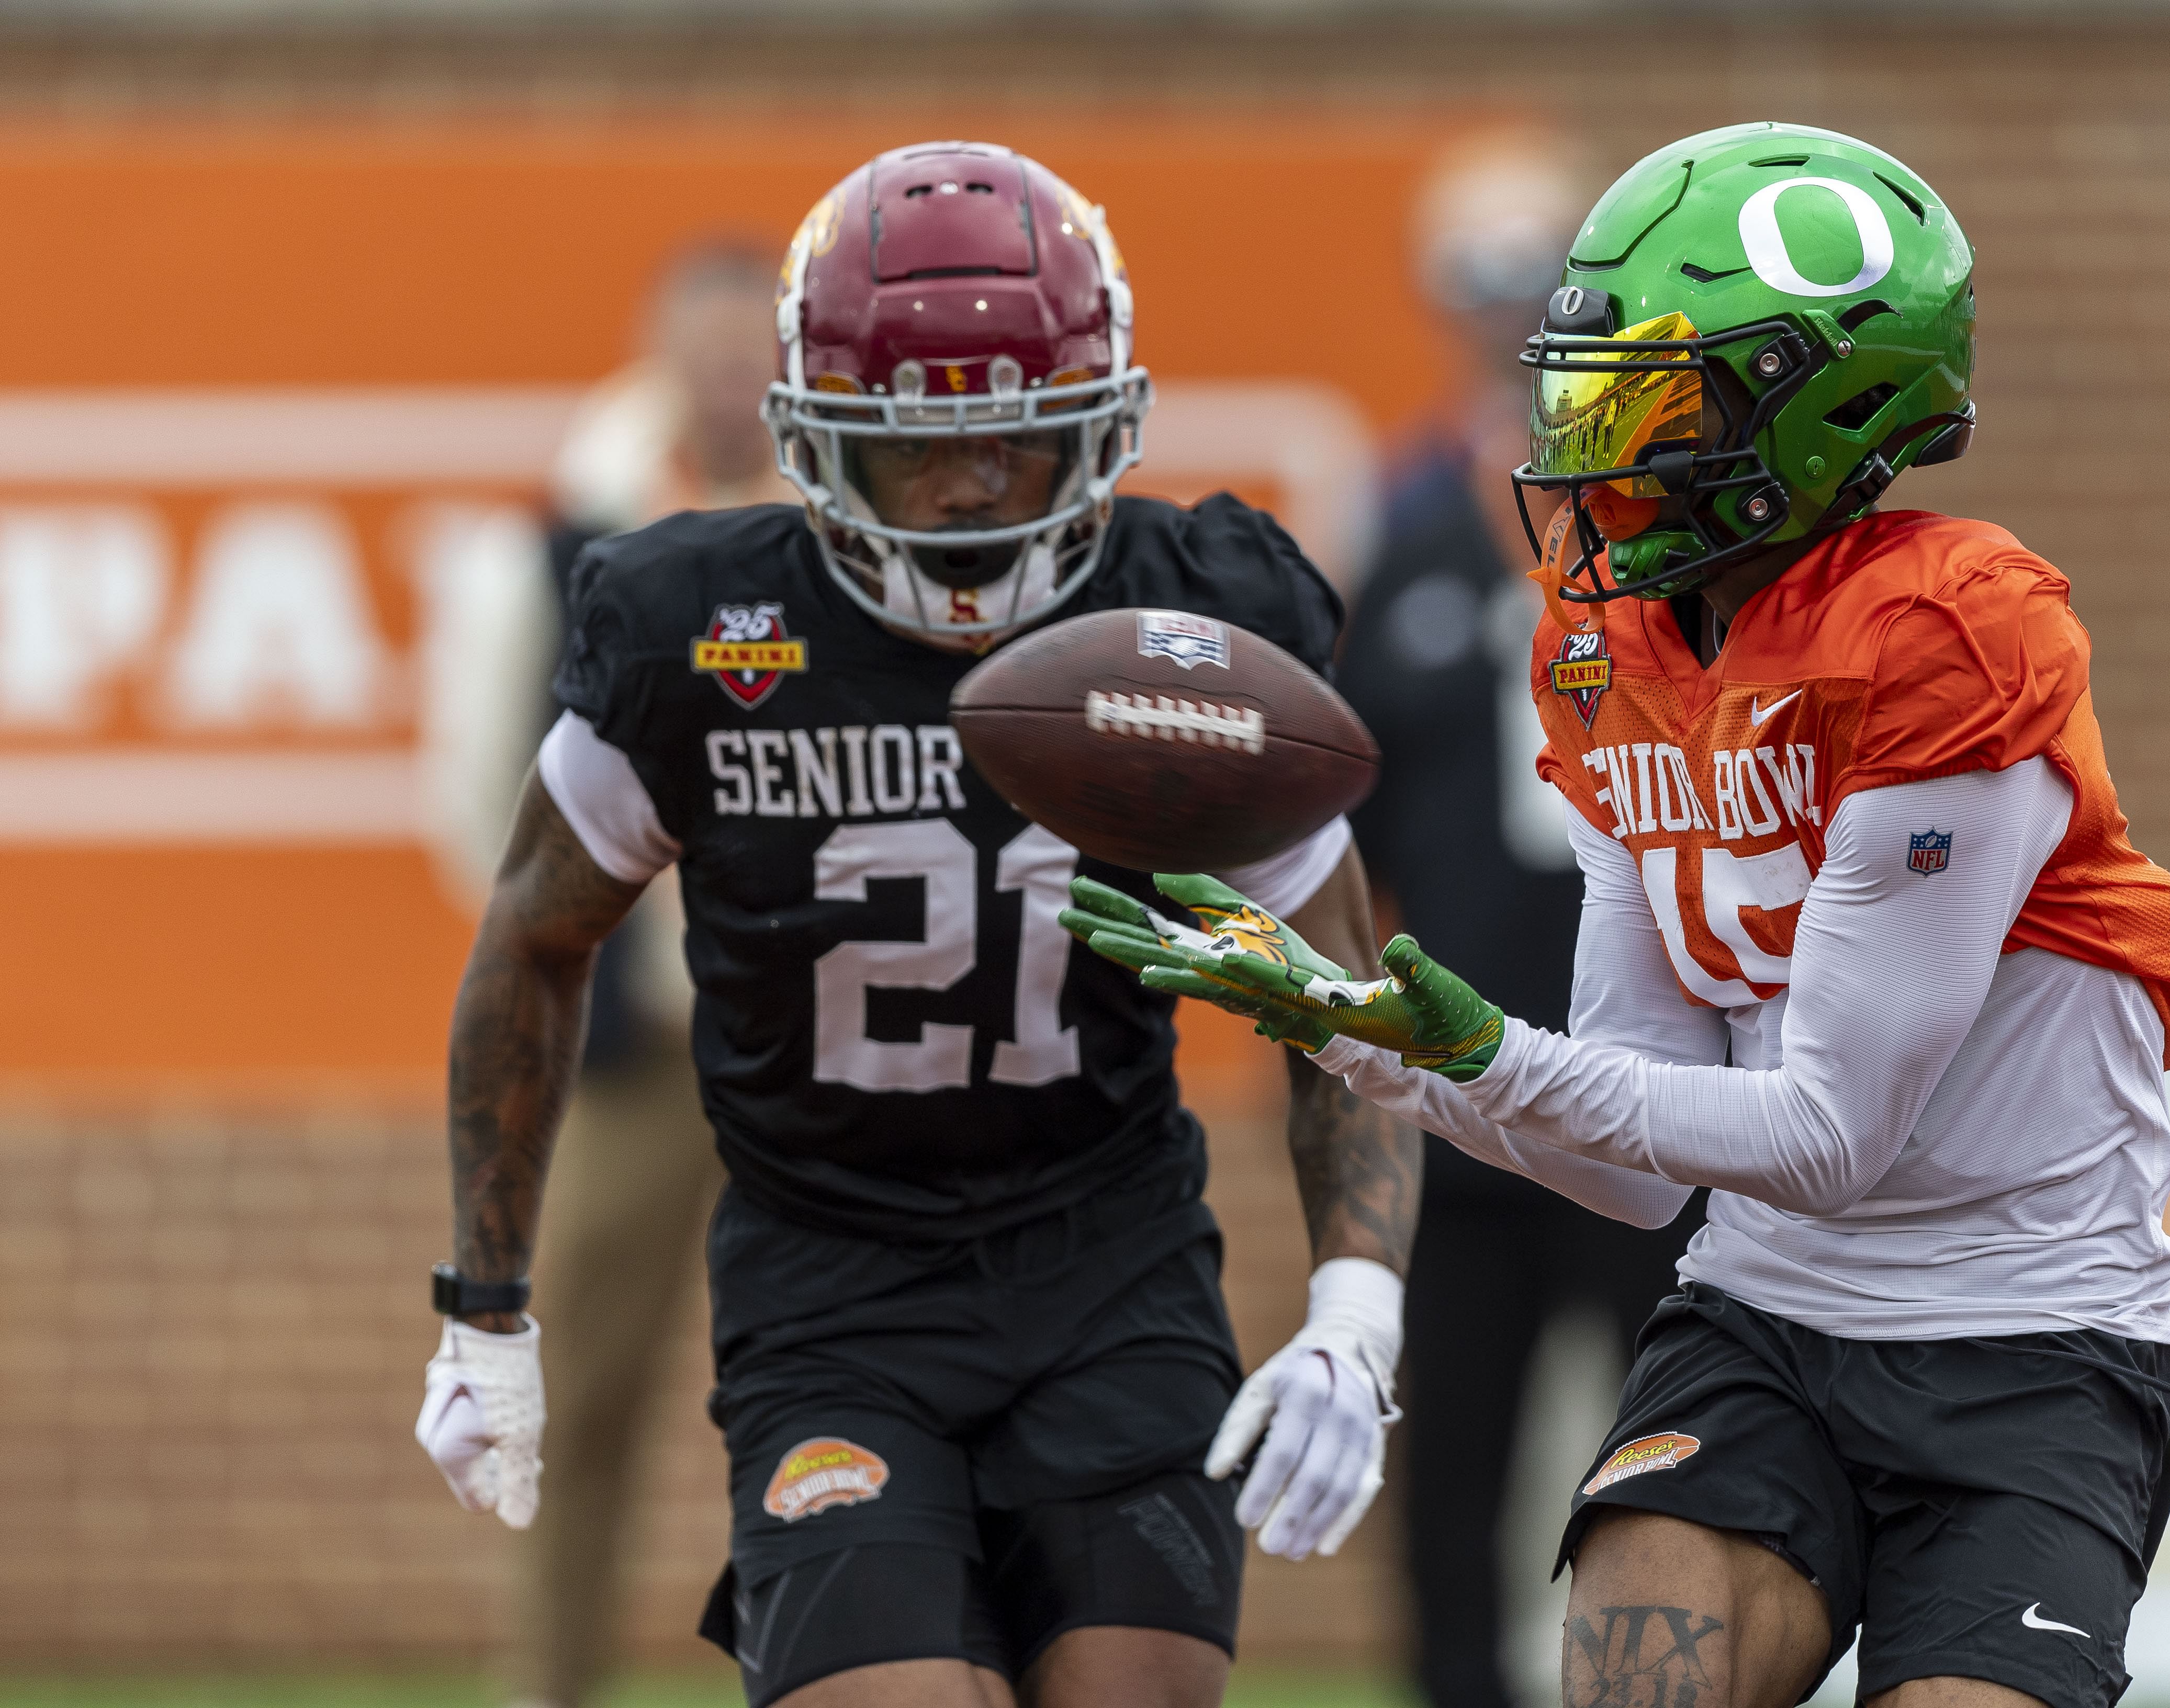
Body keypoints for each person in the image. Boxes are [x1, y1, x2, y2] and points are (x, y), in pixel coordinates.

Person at [1066, 122, 2170, 1708]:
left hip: (2026, 1345)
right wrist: (1377, 1051)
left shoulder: (1947, 631)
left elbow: (1825, 1133)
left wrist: (1469, 1045)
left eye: (1655, 396)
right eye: (1588, 385)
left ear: (1821, 406)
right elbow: (1620, 1167)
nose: (1595, 439)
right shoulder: (1616, 642)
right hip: (1765, 1322)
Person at [412, 141, 1418, 1708]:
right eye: (913, 450)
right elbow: (537, 933)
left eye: (1015, 443)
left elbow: (1339, 986)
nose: (962, 491)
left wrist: (1355, 1307)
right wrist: (483, 1304)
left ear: (1099, 430)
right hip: (833, 1283)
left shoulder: (1184, 617)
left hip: (1109, 1266)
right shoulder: (696, 622)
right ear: (814, 443)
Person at [1335, 135, 1699, 1708]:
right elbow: (1351, 802)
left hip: (1649, 1069)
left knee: (1680, 1439)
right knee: (1456, 1458)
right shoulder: (1408, 515)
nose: (1511, 315)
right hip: (1468, 1071)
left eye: (1538, 277)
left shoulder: (1678, 515)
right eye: (1483, 283)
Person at [522, 240, 797, 1708]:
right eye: (699, 341)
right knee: (582, 1392)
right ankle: (551, 1684)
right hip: (644, 1037)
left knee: (834, 1372)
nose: (722, 370)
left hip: (817, 1033)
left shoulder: (846, 531)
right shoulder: (579, 534)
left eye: (747, 343)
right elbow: (491, 790)